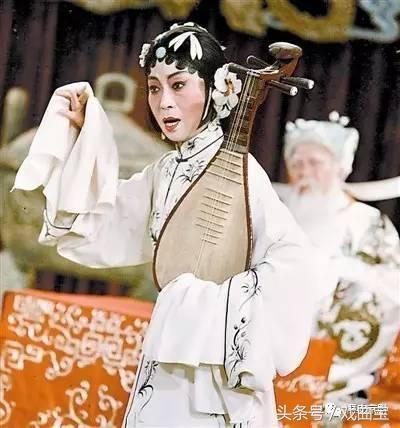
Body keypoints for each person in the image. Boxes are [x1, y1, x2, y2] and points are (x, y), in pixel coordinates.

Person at [13, 23, 328, 427]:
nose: (164, 103)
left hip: (214, 363)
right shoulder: (166, 169)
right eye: (154, 87)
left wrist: (215, 303)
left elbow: (295, 262)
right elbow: (105, 216)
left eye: (179, 85)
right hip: (170, 352)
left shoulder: (242, 172)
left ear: (216, 89)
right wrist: (83, 135)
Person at [280, 111, 400, 401]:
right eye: (296, 164)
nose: (304, 172)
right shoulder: (278, 217)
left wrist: (339, 270)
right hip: (276, 356)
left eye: (314, 163)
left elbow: (391, 287)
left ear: (340, 167)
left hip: (341, 370)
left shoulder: (370, 224)